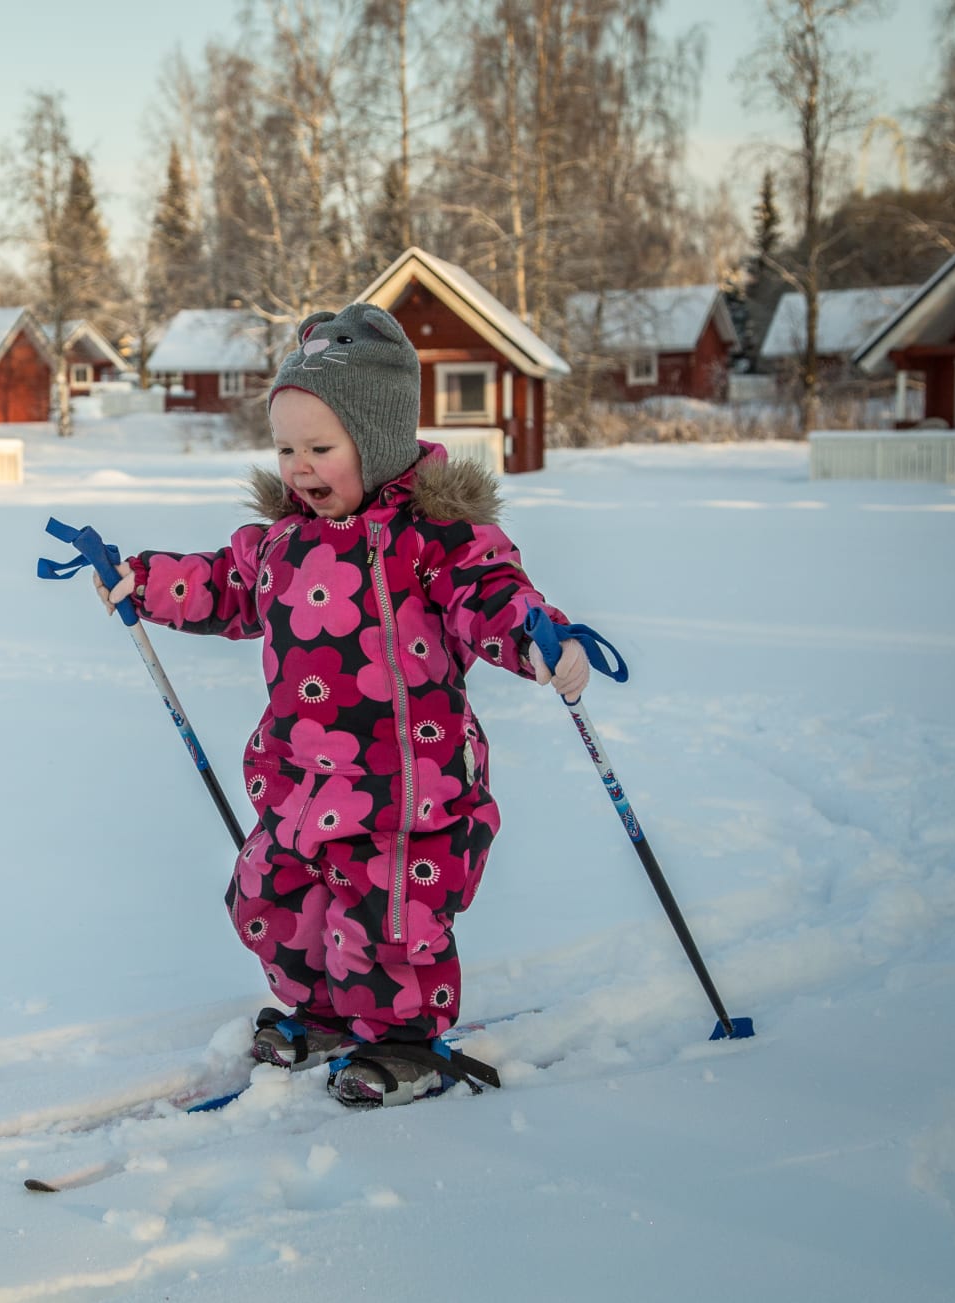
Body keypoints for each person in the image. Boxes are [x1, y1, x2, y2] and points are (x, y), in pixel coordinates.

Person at [94, 302, 589, 1107]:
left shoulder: (432, 538)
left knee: (385, 925)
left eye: (321, 448)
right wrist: (143, 579)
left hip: (405, 790)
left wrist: (537, 638)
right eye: (287, 448)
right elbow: (223, 585)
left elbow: (490, 593)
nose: (299, 467)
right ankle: (323, 1013)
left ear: (379, 442)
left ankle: (403, 1041)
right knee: (270, 899)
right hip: (299, 782)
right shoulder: (281, 544)